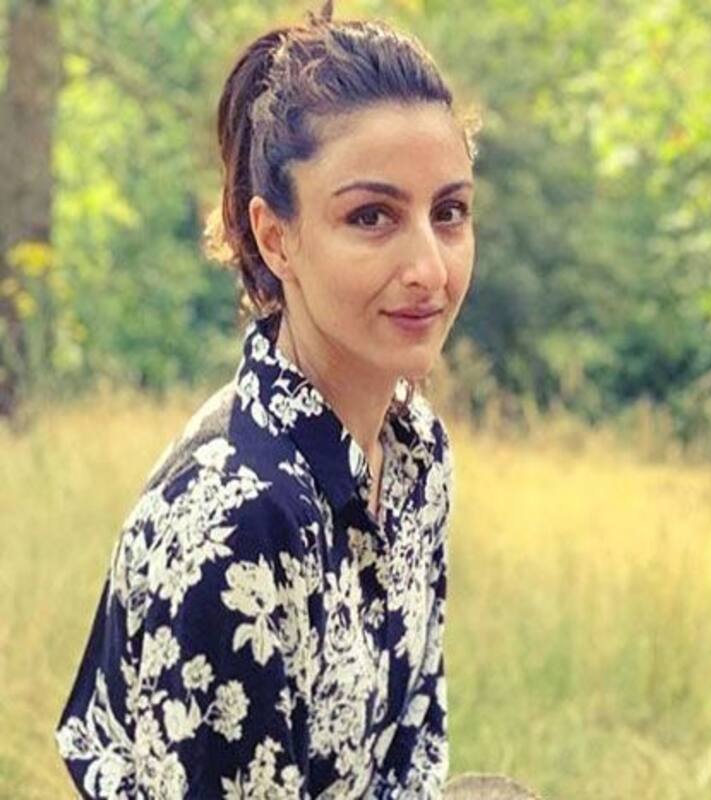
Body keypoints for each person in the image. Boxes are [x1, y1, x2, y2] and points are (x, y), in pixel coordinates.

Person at [54, 4, 476, 797]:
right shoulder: (236, 519)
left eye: (448, 212)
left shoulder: (417, 455)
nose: (430, 268)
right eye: (372, 216)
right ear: (277, 236)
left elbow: (413, 757)